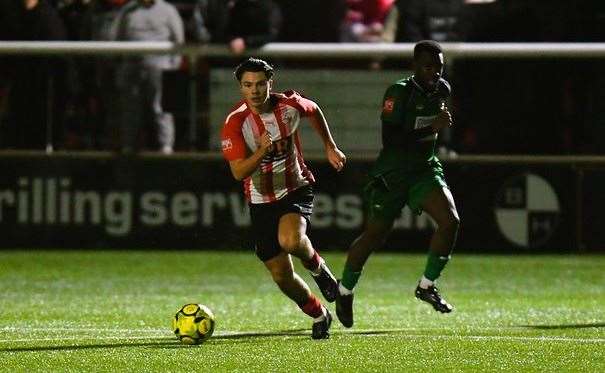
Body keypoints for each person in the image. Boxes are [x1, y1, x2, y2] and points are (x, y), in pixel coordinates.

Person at [335, 40, 460, 328]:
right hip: (393, 173)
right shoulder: (399, 92)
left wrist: (439, 134)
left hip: (424, 169)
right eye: (428, 67)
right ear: (414, 66)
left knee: (450, 220)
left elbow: (440, 125)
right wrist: (432, 128)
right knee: (375, 235)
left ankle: (427, 285)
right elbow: (390, 140)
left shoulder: (443, 90)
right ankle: (345, 290)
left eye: (438, 68)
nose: (435, 73)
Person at [220, 58, 347, 339]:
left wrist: (330, 147)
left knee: (290, 240)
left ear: (270, 83)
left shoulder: (289, 106)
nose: (254, 91)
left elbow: (314, 111)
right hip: (260, 200)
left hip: (295, 187)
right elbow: (239, 172)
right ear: (241, 88)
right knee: (281, 275)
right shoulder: (235, 123)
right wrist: (261, 152)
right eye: (247, 85)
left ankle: (319, 269)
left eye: (260, 84)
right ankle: (319, 313)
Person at [110, 0, 184, 154]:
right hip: (131, 65)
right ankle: (128, 146)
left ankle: (166, 147)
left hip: (160, 66)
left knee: (161, 108)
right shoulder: (127, 11)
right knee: (130, 108)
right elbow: (116, 37)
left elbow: (179, 40)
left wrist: (172, 67)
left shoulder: (168, 10)